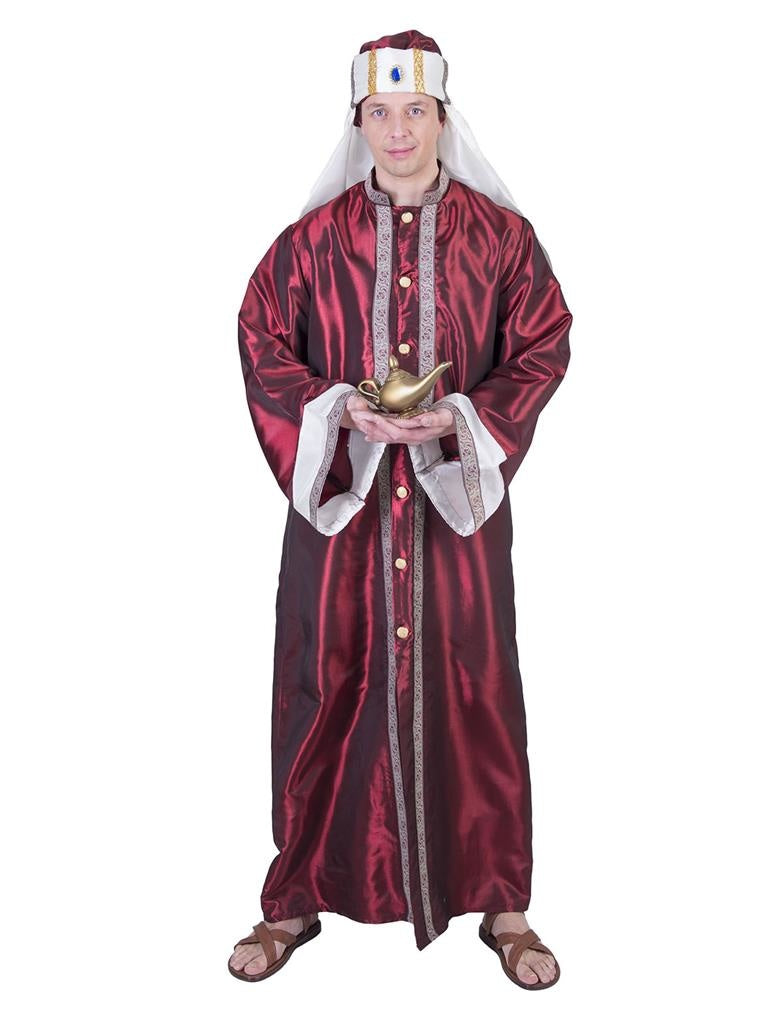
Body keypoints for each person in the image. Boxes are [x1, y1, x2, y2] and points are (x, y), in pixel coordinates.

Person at [228, 29, 572, 990]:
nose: (397, 129)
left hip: (454, 513)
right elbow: (261, 338)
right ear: (358, 122)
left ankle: (502, 898)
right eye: (378, 111)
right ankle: (295, 895)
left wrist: (461, 418)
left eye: (414, 109)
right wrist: (340, 413)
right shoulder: (311, 242)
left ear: (441, 117)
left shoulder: (501, 239)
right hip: (343, 514)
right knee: (321, 678)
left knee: (475, 687)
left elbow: (542, 344)